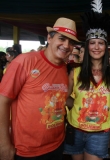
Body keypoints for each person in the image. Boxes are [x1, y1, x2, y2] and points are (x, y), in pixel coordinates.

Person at [0, 17, 80, 160]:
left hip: (57, 144)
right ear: (49, 37)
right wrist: (3, 144)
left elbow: (60, 98)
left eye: (71, 42)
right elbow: (2, 101)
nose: (66, 45)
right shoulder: (25, 61)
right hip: (27, 150)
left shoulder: (63, 68)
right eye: (62, 38)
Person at [63, 0, 110, 160]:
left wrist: (105, 102)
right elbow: (64, 97)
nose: (96, 47)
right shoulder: (75, 72)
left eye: (101, 43)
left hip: (100, 133)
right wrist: (79, 106)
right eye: (92, 43)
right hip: (75, 128)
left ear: (106, 47)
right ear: (87, 46)